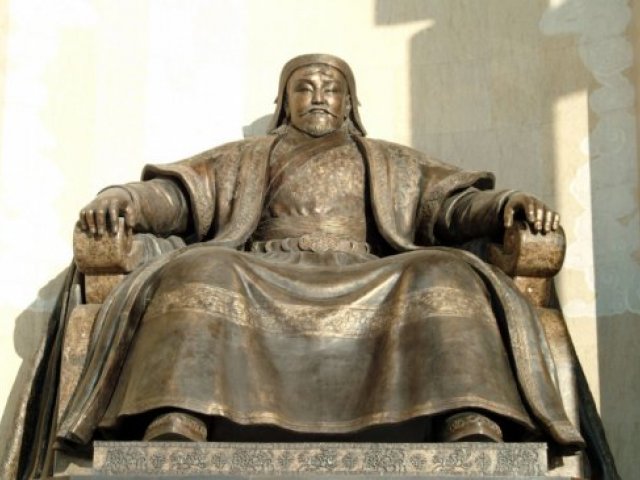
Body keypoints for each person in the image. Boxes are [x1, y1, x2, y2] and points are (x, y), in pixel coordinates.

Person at [58, 53, 583, 448]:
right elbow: (178, 196)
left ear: (348, 103)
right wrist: (123, 198)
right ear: (284, 101)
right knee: (202, 268)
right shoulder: (247, 156)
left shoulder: (389, 160)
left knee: (445, 271)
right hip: (265, 267)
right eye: (303, 88)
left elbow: (450, 207)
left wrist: (506, 205)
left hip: (365, 270)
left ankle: (469, 415)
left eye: (330, 89)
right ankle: (177, 414)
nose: (317, 97)